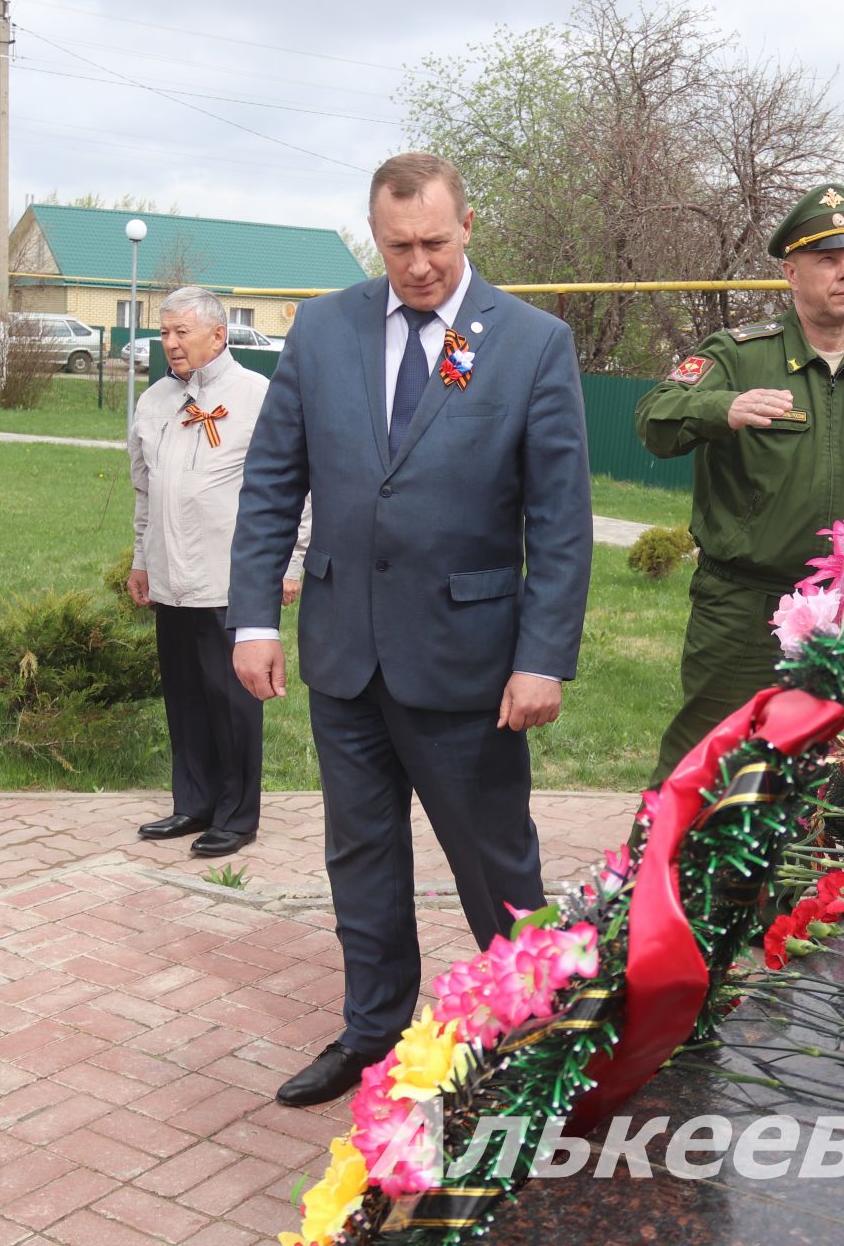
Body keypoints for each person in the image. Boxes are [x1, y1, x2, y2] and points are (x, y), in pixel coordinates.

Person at [228, 151, 593, 1107]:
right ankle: (372, 1027)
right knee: (361, 852)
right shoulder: (321, 328)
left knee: (494, 857)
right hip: (346, 654)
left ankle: (540, 1030)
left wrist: (543, 656)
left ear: (467, 226)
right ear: (374, 237)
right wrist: (254, 617)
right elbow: (272, 483)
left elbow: (559, 519)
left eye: (434, 242)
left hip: (469, 662)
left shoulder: (530, 341)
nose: (419, 263)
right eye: (398, 247)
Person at [636, 183, 844, 783]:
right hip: (743, 609)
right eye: (827, 260)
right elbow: (653, 419)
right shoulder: (740, 356)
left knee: (812, 775)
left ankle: (774, 883)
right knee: (702, 766)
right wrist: (721, 409)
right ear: (791, 273)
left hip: (841, 615)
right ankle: (645, 878)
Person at [128, 286, 309, 858]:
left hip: (231, 578)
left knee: (231, 701)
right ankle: (193, 802)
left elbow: (295, 490)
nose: (171, 343)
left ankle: (236, 815)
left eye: (182, 332)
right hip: (170, 575)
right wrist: (140, 558)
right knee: (184, 696)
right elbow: (144, 488)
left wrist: (292, 560)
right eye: (164, 332)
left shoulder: (257, 395)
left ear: (219, 334)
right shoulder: (154, 401)